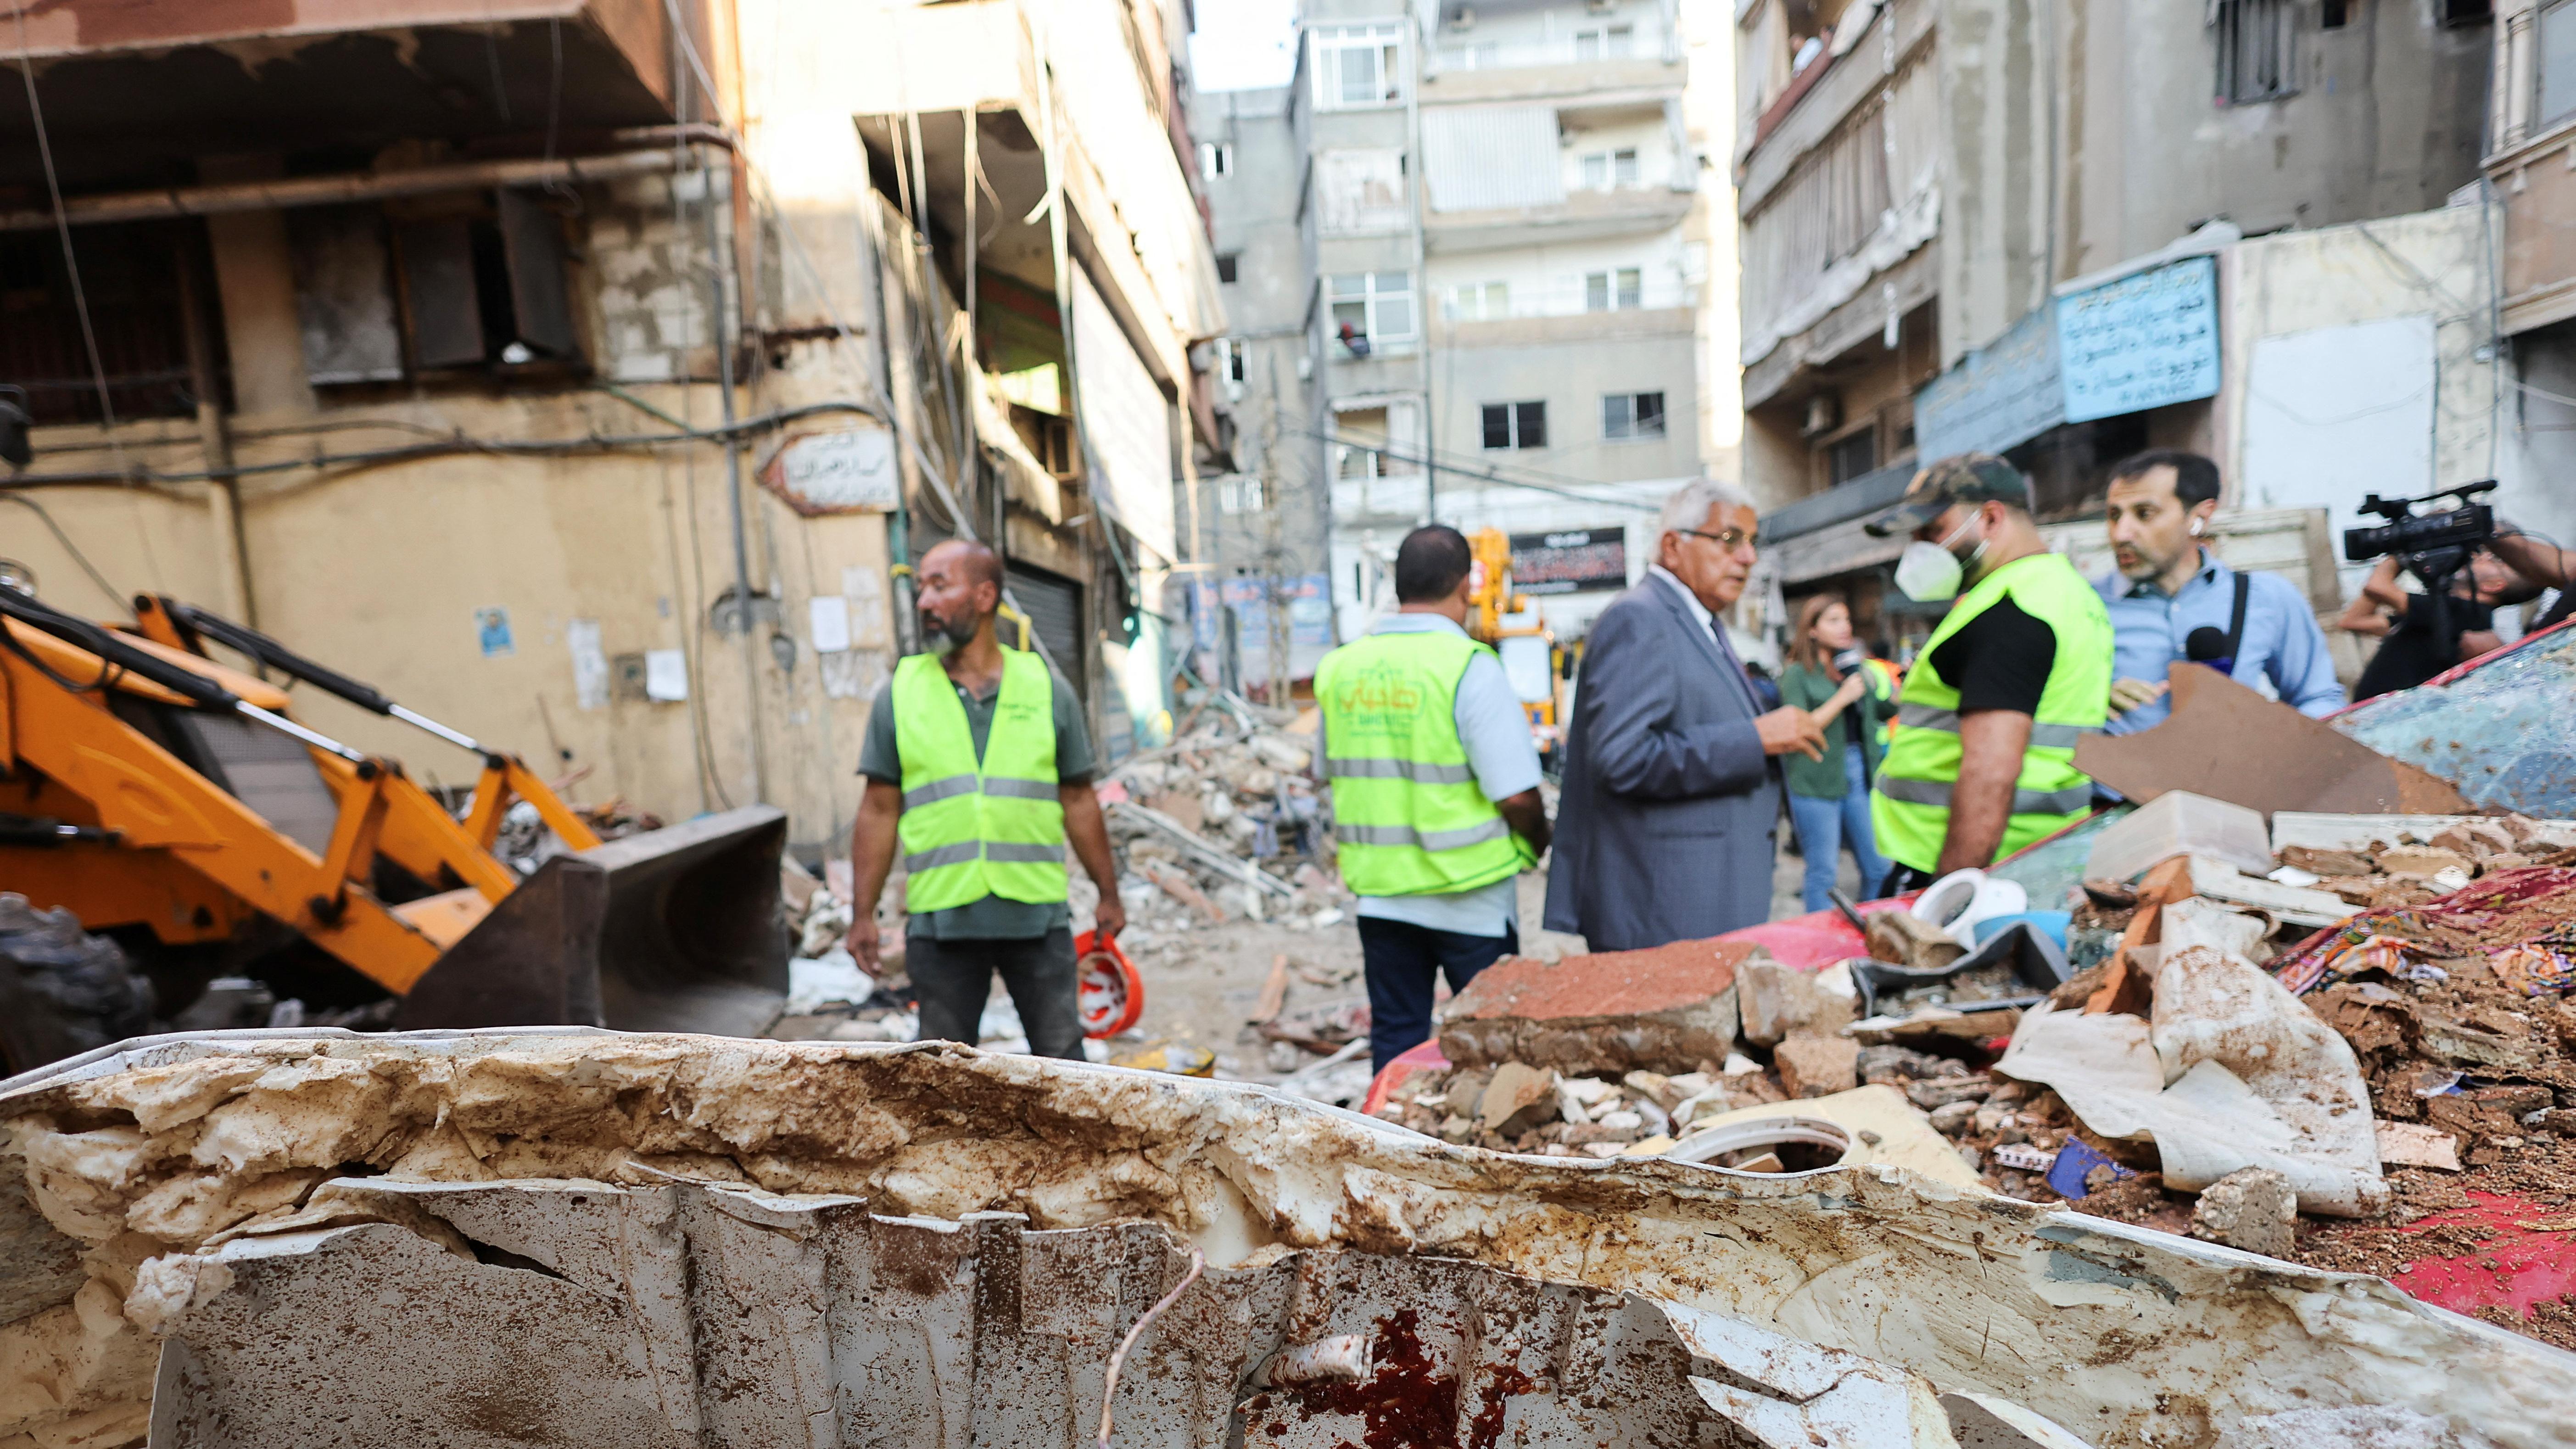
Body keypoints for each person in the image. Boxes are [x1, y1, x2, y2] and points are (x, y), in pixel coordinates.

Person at [844, 538, 1125, 1059]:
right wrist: (863, 914)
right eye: (921, 587)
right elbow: (879, 809)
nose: (924, 600)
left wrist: (1108, 892)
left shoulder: (1045, 686)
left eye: (939, 585)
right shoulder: (901, 691)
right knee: (941, 1077)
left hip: (1037, 917)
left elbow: (1080, 800)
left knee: (1064, 1064)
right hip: (942, 922)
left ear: (984, 595)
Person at [1543, 480, 1829, 950]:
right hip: (1662, 910)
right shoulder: (1641, 619)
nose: (1748, 558)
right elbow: (1624, 758)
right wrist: (1755, 739)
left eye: (1753, 542)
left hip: (1695, 899)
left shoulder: (1696, 620)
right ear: (1674, 546)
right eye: (1730, 539)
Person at [1315, 525, 1550, 1074]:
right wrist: (1539, 842)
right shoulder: (1470, 666)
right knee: (1490, 1049)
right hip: (1471, 899)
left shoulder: (1341, 667)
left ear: (1398, 585)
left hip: (1382, 893)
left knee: (1396, 1043)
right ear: (1467, 585)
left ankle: (1390, 1154)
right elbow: (1517, 796)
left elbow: (1330, 772)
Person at [1863, 455, 2112, 893]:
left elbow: (1989, 773)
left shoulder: (2009, 609)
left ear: (1991, 518)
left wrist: (1949, 899)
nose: (1919, 548)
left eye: (1933, 530)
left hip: (1968, 868)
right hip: (2040, 860)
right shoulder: (2068, 592)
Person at [2095, 449, 2344, 731]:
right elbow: (2041, 725)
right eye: (2114, 516)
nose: (2121, 534)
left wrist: (2279, 750)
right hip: (2120, 773)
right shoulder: (2083, 606)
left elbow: (2319, 697)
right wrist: (2084, 705)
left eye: (2145, 514)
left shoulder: (2266, 597)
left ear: (2200, 516)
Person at [1777, 595, 1896, 913]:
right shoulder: (1797, 674)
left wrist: (1903, 689)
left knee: (1878, 867)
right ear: (1812, 629)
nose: (1844, 627)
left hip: (1860, 772)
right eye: (1833, 620)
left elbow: (1880, 711)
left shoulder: (1854, 668)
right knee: (1823, 872)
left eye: (1846, 619)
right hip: (1815, 777)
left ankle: (1869, 932)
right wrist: (1843, 697)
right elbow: (1797, 726)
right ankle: (1819, 946)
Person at [2340, 548, 2540, 701]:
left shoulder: (2466, 613)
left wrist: (2398, 555)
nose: (2483, 555)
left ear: (2494, 586)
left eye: (2496, 561)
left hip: (2386, 719)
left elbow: (2377, 588)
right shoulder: (2438, 614)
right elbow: (2353, 621)